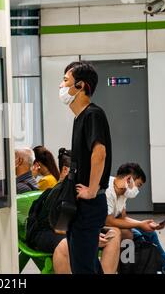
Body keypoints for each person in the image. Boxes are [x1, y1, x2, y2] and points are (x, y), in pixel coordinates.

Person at [29, 148, 121, 274]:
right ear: (67, 170)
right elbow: (58, 227)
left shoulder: (84, 189)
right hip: (47, 231)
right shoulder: (58, 192)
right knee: (65, 245)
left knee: (114, 233)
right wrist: (89, 237)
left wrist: (92, 233)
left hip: (74, 228)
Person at [59, 61, 112, 274]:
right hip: (80, 204)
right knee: (86, 264)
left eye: (65, 81)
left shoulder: (92, 114)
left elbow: (99, 153)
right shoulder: (80, 117)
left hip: (89, 204)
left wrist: (91, 189)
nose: (61, 86)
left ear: (80, 86)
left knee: (83, 268)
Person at [105, 163, 165, 274]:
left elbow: (123, 218)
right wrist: (139, 225)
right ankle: (131, 269)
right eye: (139, 185)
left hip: (111, 222)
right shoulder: (108, 190)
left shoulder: (123, 191)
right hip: (101, 224)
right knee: (129, 234)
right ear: (129, 180)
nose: (137, 190)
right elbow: (109, 220)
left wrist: (143, 224)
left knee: (150, 233)